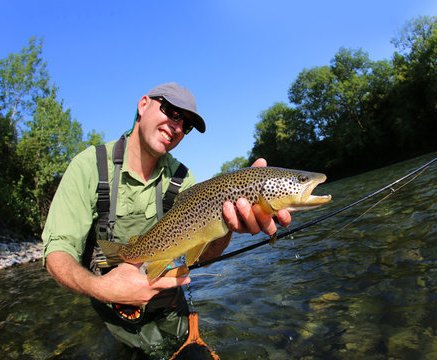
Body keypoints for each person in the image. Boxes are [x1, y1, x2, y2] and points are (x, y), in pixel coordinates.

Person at [42, 82, 291, 355]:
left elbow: (204, 257)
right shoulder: (90, 167)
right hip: (114, 309)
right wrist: (102, 288)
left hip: (169, 304)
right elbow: (58, 253)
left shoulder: (183, 180)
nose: (177, 126)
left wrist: (227, 228)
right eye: (172, 112)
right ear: (143, 104)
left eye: (186, 125)